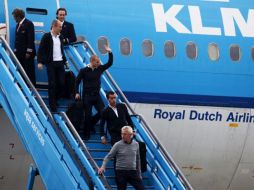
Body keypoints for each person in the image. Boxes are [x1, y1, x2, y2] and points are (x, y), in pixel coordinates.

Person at [75, 45, 113, 139]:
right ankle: (86, 135)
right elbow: (77, 81)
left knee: (103, 112)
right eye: (97, 62)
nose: (99, 63)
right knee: (87, 115)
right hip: (87, 96)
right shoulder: (84, 71)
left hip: (96, 96)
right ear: (92, 61)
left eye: (99, 61)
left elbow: (109, 63)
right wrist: (77, 92)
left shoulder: (99, 69)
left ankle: (92, 122)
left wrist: (110, 52)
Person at [98, 126, 144, 190]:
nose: (122, 136)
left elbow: (138, 159)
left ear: (130, 135)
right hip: (121, 172)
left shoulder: (136, 144)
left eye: (125, 134)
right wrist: (103, 167)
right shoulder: (117, 145)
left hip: (133, 172)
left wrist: (139, 173)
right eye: (122, 133)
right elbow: (108, 157)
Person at [37, 19, 68, 112]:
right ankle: (52, 105)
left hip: (60, 63)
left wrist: (65, 61)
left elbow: (61, 50)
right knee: (52, 84)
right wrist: (40, 62)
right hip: (51, 63)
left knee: (62, 83)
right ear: (54, 26)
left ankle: (56, 99)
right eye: (60, 27)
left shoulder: (60, 37)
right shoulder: (46, 36)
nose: (61, 29)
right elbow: (41, 50)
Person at [12, 8, 36, 85]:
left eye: (14, 17)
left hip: (27, 54)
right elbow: (18, 40)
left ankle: (32, 89)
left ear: (18, 16)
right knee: (20, 72)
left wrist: (28, 52)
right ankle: (21, 88)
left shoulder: (29, 23)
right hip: (19, 54)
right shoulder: (18, 25)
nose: (14, 18)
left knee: (29, 72)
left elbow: (30, 38)